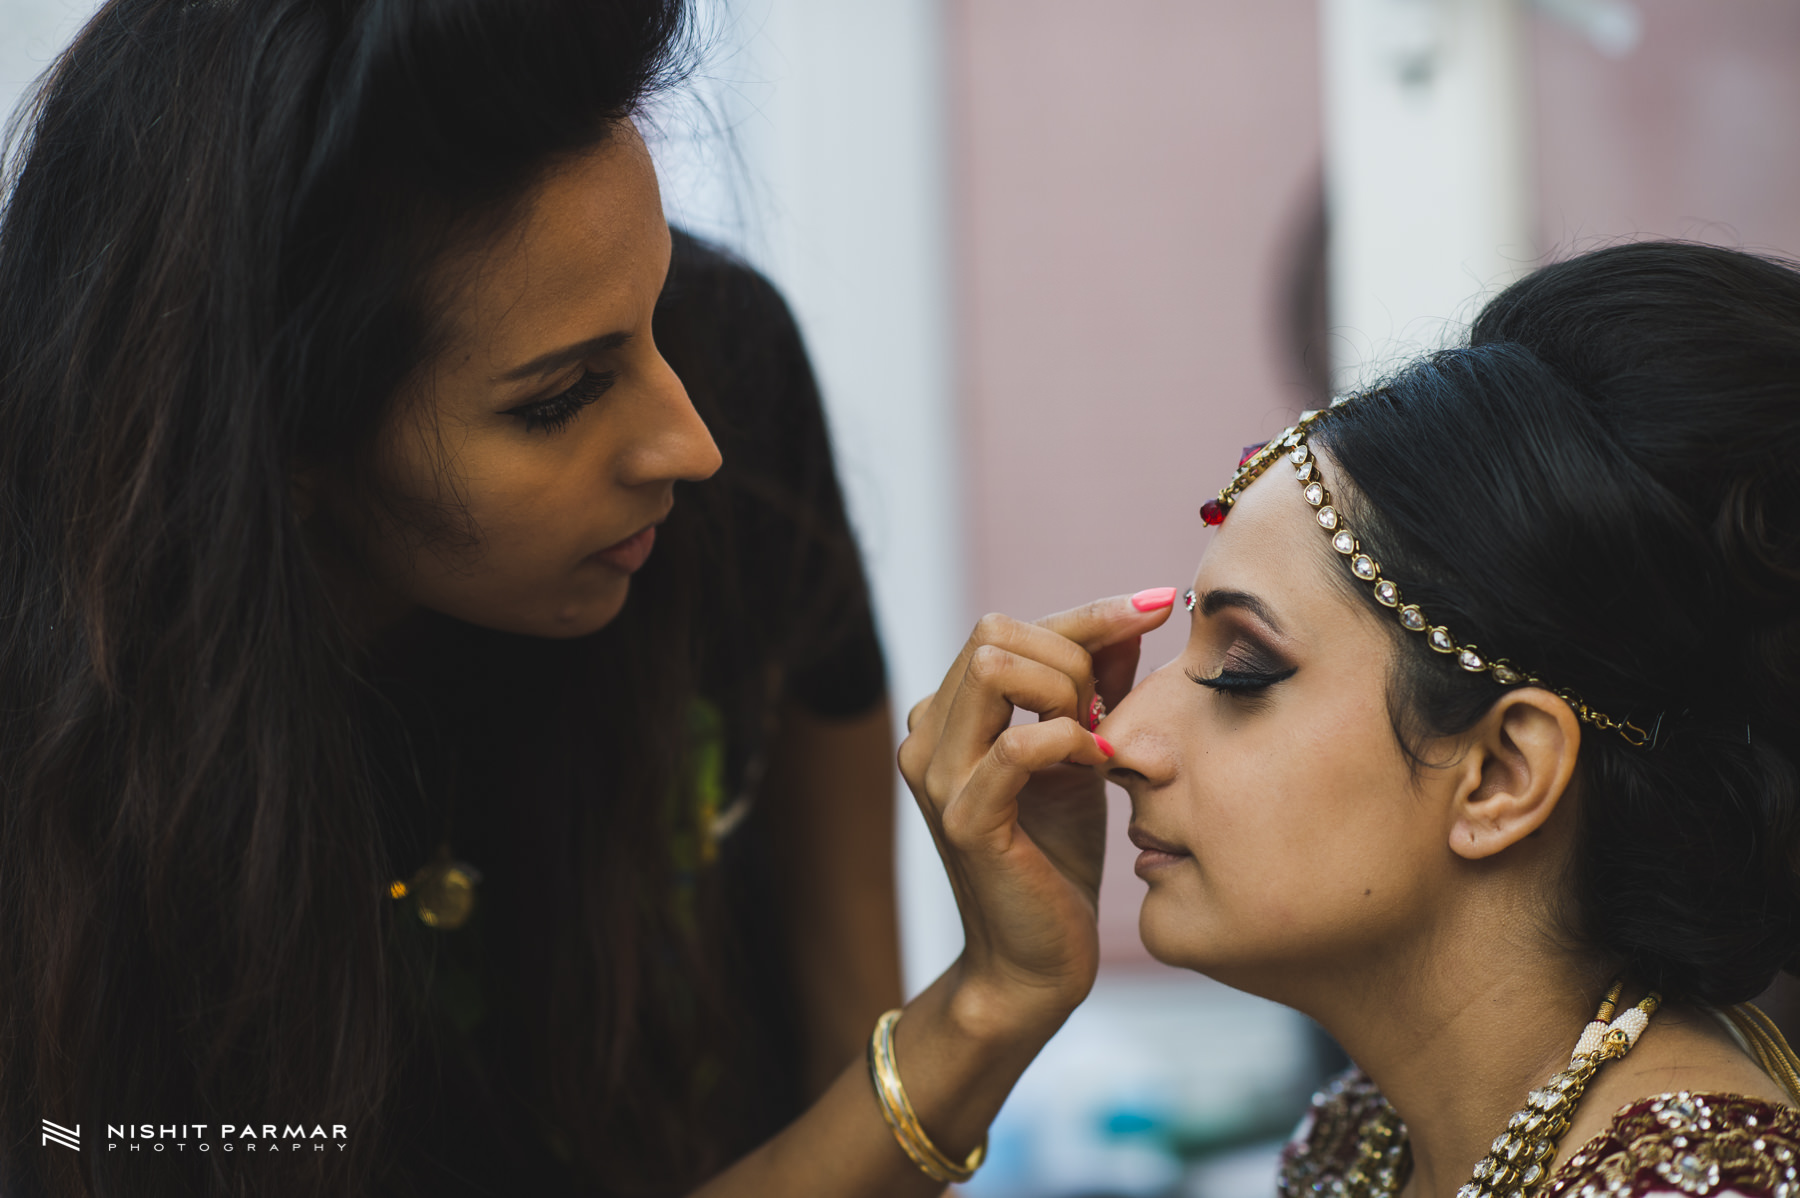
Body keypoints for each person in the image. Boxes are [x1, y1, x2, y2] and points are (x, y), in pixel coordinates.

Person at [0, 1, 1157, 1195]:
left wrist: (986, 1003)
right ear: (281, 453)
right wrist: (979, 1015)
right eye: (559, 398)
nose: (692, 441)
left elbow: (844, 1054)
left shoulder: (737, 389)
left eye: (660, 319)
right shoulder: (66, 787)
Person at [904, 240, 1800, 1198]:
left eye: (1244, 670)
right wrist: (996, 992)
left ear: (1501, 775)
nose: (1117, 740)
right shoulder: (1370, 1135)